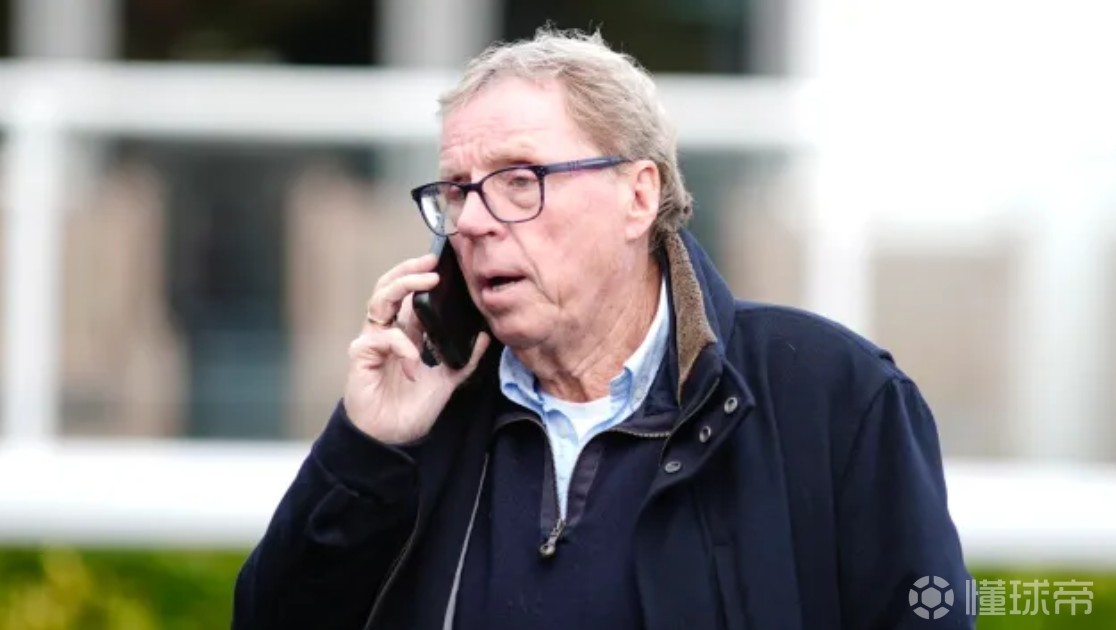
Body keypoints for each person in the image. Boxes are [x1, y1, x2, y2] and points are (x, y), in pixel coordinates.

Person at [234, 28, 972, 630]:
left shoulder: (831, 394)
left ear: (638, 196)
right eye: (457, 191)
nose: (476, 221)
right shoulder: (424, 412)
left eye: (519, 180)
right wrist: (367, 452)